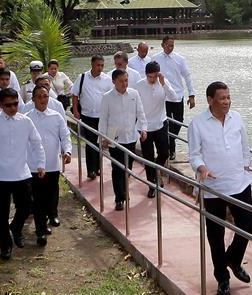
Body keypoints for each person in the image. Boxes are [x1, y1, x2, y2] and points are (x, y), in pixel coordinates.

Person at [189, 81, 252, 295]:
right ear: (210, 100)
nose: (226, 101)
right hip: (213, 188)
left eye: (228, 97)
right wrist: (202, 168)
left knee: (248, 222)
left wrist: (246, 166)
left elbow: (245, 147)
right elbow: (194, 154)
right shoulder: (197, 124)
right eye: (222, 98)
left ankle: (234, 259)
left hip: (239, 183)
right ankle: (223, 278)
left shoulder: (237, 118)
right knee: (215, 235)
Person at [0, 88, 46, 260]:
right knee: (1, 214)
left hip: (20, 173)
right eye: (8, 105)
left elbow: (37, 143)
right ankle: (5, 246)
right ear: (1, 105)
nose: (13, 108)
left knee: (25, 207)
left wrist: (40, 164)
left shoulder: (25, 121)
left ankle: (16, 227)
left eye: (15, 104)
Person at [26, 85, 72, 245]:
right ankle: (40, 231)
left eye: (45, 96)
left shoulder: (56, 116)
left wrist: (67, 151)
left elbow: (65, 136)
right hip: (34, 166)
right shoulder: (27, 118)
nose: (42, 100)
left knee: (48, 197)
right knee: (38, 199)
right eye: (39, 96)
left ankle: (46, 219)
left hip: (53, 164)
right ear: (33, 99)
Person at [98, 69, 146, 211]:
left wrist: (143, 129)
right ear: (114, 81)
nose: (124, 83)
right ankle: (119, 197)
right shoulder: (107, 97)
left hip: (130, 135)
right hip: (113, 136)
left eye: (126, 80)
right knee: (117, 168)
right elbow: (103, 119)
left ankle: (124, 190)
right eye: (121, 81)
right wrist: (103, 137)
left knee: (128, 167)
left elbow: (141, 113)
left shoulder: (134, 94)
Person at [133, 61, 177, 198]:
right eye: (150, 77)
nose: (152, 80)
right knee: (148, 157)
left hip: (160, 123)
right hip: (144, 127)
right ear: (146, 75)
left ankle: (157, 172)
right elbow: (134, 106)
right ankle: (151, 185)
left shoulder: (163, 83)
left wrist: (163, 83)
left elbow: (174, 98)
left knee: (164, 153)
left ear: (158, 74)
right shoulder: (139, 85)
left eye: (154, 77)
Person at [71, 55, 112, 179]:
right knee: (90, 143)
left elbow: (112, 96)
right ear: (92, 64)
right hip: (87, 116)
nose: (100, 68)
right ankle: (91, 170)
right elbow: (75, 94)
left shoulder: (107, 79)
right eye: (97, 65)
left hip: (102, 117)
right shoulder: (82, 77)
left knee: (101, 143)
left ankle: (98, 167)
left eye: (102, 65)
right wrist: (76, 111)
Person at [154, 36, 195, 160]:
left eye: (172, 45)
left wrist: (191, 95)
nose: (170, 47)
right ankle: (170, 149)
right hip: (163, 96)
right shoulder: (155, 59)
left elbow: (187, 76)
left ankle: (171, 140)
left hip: (177, 95)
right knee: (164, 121)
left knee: (178, 121)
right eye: (168, 45)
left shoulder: (180, 59)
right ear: (162, 45)